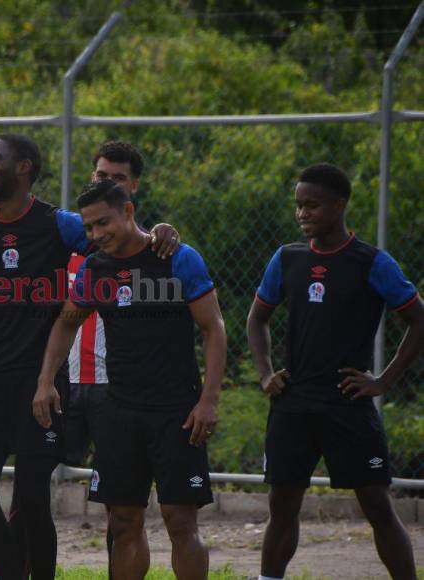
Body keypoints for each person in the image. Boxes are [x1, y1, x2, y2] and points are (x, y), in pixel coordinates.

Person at [0, 134, 177, 579]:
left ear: (23, 167)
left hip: (41, 382)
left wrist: (157, 232)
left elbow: (118, 241)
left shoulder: (57, 224)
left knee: (31, 497)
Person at [34, 179, 226, 580]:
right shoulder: (95, 267)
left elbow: (213, 328)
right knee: (123, 521)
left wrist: (209, 399)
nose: (96, 234)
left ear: (129, 211)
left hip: (177, 411)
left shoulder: (177, 259)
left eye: (103, 223)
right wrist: (46, 380)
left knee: (179, 521)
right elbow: (66, 323)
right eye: (88, 228)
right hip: (119, 411)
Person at [11, 141, 179, 579]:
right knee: (27, 490)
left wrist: (165, 228)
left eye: (116, 179)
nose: (105, 183)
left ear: (132, 190)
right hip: (62, 383)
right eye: (99, 175)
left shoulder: (154, 248)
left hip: (114, 389)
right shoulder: (67, 237)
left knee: (119, 512)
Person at [246, 162, 422, 580]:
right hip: (294, 404)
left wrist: (384, 379)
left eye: (313, 205)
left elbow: (419, 319)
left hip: (347, 403)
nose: (302, 213)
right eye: (298, 206)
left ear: (339, 205)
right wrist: (265, 372)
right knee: (282, 506)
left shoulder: (371, 262)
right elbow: (257, 320)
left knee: (378, 506)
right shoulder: (287, 259)